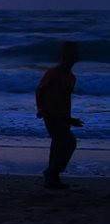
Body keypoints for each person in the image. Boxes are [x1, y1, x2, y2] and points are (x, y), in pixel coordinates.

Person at [36, 41, 82, 189]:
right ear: (64, 56)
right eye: (70, 54)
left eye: (74, 54)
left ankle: (52, 177)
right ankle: (51, 173)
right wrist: (41, 109)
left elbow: (65, 99)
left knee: (59, 144)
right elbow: (39, 91)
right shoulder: (53, 73)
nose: (73, 57)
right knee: (68, 142)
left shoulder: (71, 77)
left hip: (62, 115)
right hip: (51, 114)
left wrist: (69, 119)